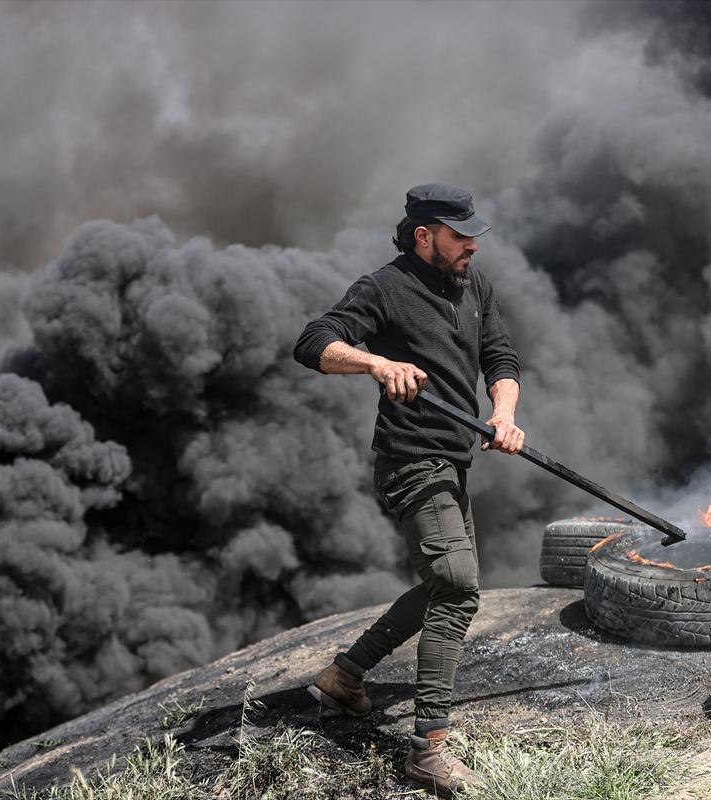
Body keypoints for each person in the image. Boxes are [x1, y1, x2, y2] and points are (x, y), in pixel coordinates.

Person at [292, 183, 524, 796]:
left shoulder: (474, 284)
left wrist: (503, 415)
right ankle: (427, 750)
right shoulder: (384, 288)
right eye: (459, 235)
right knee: (457, 586)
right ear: (424, 235)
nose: (472, 245)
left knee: (443, 584)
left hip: (452, 462)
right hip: (410, 462)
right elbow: (313, 342)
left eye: (473, 234)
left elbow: (501, 359)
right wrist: (377, 363)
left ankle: (346, 675)